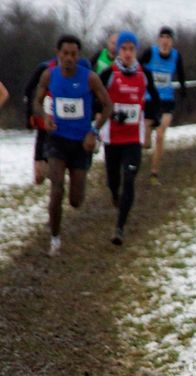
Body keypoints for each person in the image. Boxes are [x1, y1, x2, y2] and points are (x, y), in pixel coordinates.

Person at [33, 34, 112, 257]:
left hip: (81, 144)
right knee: (56, 188)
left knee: (76, 201)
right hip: (57, 141)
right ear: (58, 54)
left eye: (73, 54)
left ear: (78, 56)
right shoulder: (49, 75)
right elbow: (37, 102)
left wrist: (93, 131)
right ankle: (55, 238)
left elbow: (107, 106)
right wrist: (45, 117)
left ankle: (66, 212)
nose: (69, 58)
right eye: (65, 54)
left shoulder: (90, 78)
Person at [99, 31, 160, 245]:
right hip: (112, 137)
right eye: (123, 49)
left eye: (131, 49)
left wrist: (153, 120)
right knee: (113, 181)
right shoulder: (108, 74)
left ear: (135, 51)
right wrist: (110, 114)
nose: (127, 53)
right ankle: (114, 194)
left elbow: (154, 101)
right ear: (118, 51)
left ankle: (119, 228)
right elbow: (96, 102)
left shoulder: (144, 75)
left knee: (130, 179)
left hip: (133, 138)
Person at [24, 54, 92, 185]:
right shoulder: (45, 69)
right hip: (45, 121)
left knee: (56, 168)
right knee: (39, 177)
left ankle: (58, 176)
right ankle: (42, 174)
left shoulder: (83, 72)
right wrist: (29, 115)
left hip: (66, 127)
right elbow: (29, 90)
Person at [140, 26, 186, 184]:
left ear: (172, 42)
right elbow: (137, 68)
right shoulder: (150, 53)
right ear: (159, 40)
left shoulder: (175, 56)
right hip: (148, 100)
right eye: (163, 37)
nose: (165, 41)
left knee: (160, 135)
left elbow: (181, 74)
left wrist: (184, 92)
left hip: (166, 101)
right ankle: (144, 144)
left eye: (169, 38)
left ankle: (154, 173)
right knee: (146, 143)